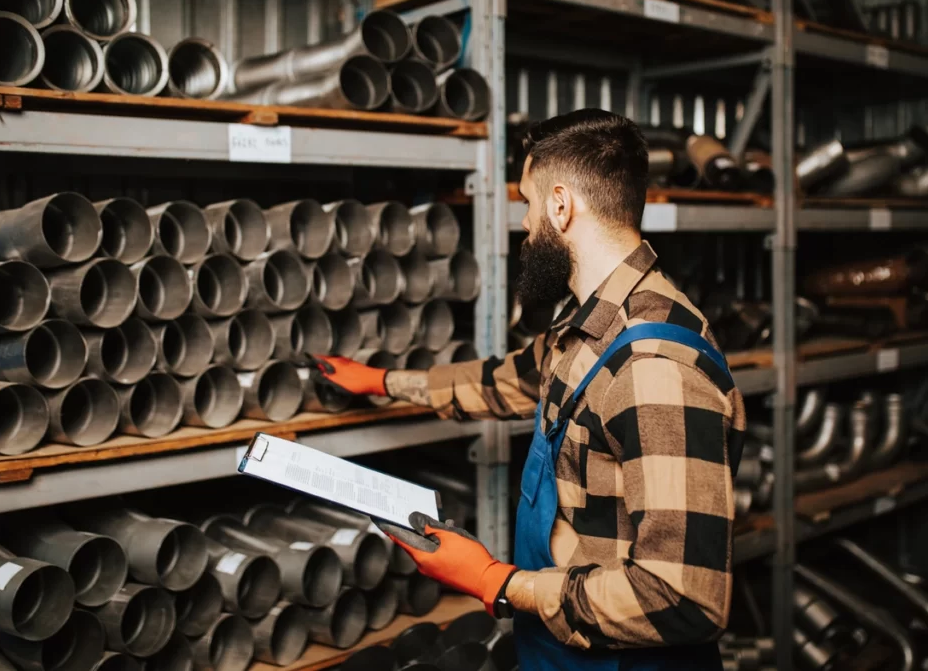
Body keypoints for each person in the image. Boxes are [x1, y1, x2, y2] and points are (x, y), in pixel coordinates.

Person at [313, 108, 746, 670]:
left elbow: (683, 598)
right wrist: (381, 382)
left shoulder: (654, 366)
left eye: (527, 202)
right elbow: (505, 380)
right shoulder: (595, 325)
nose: (524, 223)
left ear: (561, 205)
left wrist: (498, 581)